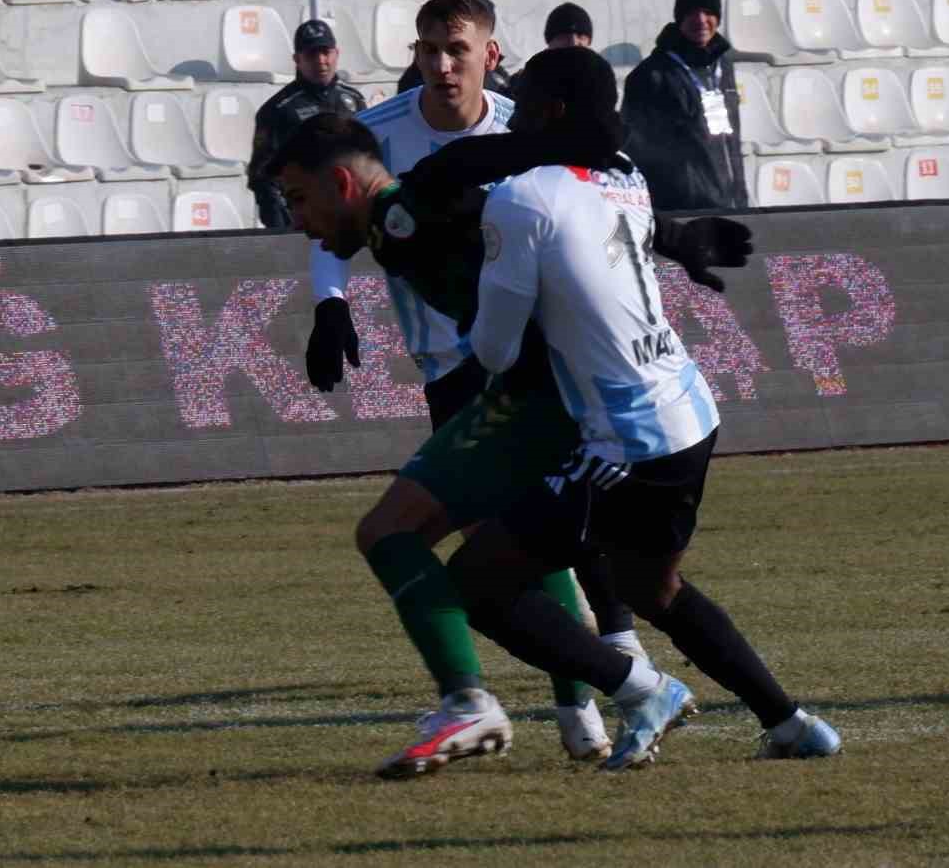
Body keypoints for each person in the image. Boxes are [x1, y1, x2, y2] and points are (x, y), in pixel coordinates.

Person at [267, 106, 754, 776]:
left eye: (299, 199)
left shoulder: (409, 212)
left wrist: (566, 154)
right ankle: (629, 690)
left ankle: (489, 700)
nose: (299, 221)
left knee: (393, 534)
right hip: (535, 395)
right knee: (501, 543)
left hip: (545, 402)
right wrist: (669, 235)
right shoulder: (395, 225)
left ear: (342, 186)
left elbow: (485, 190)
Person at [448, 46, 838, 770]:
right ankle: (791, 725)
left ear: (553, 111)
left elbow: (495, 351)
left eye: (525, 100)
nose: (514, 113)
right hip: (688, 411)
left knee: (477, 581)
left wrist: (476, 276)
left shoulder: (521, 198)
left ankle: (640, 689)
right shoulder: (625, 175)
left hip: (627, 437)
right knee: (649, 587)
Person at [302, 0, 636, 769]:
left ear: (491, 54)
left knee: (516, 535)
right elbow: (331, 209)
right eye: (428, 50)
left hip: (535, 360)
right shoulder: (377, 133)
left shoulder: (526, 131)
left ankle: (587, 690)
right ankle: (593, 690)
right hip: (448, 366)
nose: (442, 65)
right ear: (413, 54)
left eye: (458, 50)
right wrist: (329, 302)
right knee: (521, 539)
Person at [622, 0, 749, 211]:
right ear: (679, 18)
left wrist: (740, 195)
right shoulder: (651, 75)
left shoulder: (724, 68)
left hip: (730, 204)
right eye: (692, 12)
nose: (701, 20)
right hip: (683, 211)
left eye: (708, 12)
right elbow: (637, 152)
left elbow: (730, 140)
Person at [245, 18, 366, 229]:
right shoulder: (277, 110)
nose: (321, 60)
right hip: (303, 222)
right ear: (297, 59)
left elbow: (369, 159)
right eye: (311, 54)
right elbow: (262, 176)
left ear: (336, 53)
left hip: (349, 217)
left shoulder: (354, 101)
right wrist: (282, 228)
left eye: (325, 52)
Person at [506, 2, 594, 95]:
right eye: (564, 37)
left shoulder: (599, 83)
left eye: (581, 36)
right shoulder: (524, 84)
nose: (573, 43)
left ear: (588, 42)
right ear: (550, 43)